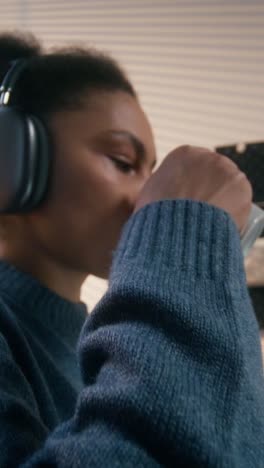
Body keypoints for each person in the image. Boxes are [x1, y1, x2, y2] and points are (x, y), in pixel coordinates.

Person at [0, 31, 263, 468]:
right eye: (123, 162)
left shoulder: (97, 344)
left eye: (152, 173)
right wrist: (183, 233)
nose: (146, 197)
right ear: (12, 159)